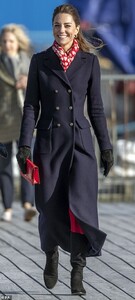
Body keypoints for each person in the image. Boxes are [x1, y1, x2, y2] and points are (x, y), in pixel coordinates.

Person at [16, 4, 113, 295]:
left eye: (67, 25)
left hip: (81, 146)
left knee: (81, 209)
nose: (62, 30)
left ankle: (78, 271)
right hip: (49, 144)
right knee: (48, 206)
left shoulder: (89, 62)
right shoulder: (40, 60)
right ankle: (51, 254)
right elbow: (31, 106)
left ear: (77, 28)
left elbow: (95, 108)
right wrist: (24, 145)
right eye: (57, 25)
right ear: (53, 27)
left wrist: (106, 147)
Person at [0, 24, 36, 222]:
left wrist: (28, 80)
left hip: (25, 120)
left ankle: (27, 204)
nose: (7, 45)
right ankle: (7, 207)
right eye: (4, 41)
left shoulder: (28, 62)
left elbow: (40, 86)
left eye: (11, 41)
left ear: (18, 43)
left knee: (26, 162)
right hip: (3, 121)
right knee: (4, 166)